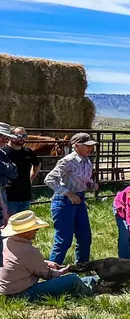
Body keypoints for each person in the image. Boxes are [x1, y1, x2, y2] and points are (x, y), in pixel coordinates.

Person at [0, 210, 97, 300]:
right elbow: (48, 275)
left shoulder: (5, 243)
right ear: (26, 232)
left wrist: (45, 263)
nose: (37, 231)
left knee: (73, 280)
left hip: (5, 292)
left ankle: (96, 281)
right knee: (73, 279)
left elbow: (20, 263)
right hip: (22, 294)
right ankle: (92, 289)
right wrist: (63, 271)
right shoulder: (29, 251)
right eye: (35, 229)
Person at [45, 132, 98, 265]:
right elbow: (50, 179)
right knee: (64, 240)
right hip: (63, 201)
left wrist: (90, 184)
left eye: (91, 146)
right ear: (76, 145)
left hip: (79, 199)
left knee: (85, 237)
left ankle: (82, 267)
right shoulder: (68, 160)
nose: (90, 148)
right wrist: (68, 193)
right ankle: (52, 271)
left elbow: (83, 179)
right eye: (87, 145)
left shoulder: (86, 161)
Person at [4, 127, 40, 215]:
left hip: (25, 195)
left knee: (23, 225)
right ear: (10, 136)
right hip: (8, 196)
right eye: (18, 136)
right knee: (9, 225)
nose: (22, 138)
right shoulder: (3, 152)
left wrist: (31, 178)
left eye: (24, 135)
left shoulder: (28, 152)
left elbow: (37, 164)